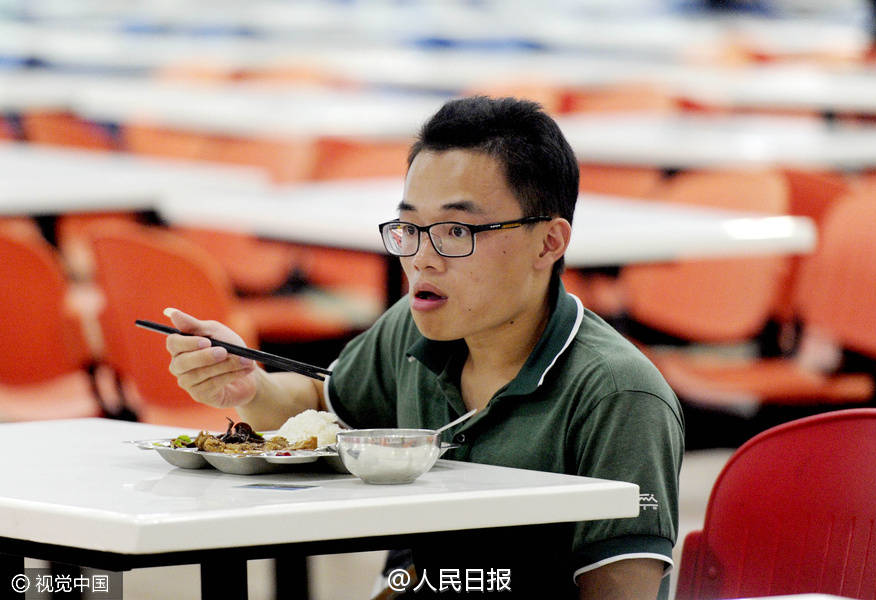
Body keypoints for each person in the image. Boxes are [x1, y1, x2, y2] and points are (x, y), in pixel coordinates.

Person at [163, 96, 684, 599]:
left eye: (456, 230)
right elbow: (325, 405)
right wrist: (251, 387)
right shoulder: (413, 330)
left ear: (549, 242)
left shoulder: (619, 397)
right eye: (410, 227)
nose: (422, 259)